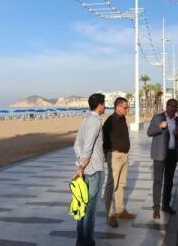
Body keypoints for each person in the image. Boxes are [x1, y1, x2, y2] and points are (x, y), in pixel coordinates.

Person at [73, 93, 106, 246]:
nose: (105, 107)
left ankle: (80, 240)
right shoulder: (95, 121)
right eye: (104, 104)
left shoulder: (85, 119)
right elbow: (87, 147)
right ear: (99, 105)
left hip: (86, 168)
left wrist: (81, 163)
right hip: (94, 169)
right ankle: (87, 241)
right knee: (90, 209)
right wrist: (82, 166)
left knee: (81, 206)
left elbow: (76, 145)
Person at [147, 99, 178, 219]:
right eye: (171, 106)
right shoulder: (158, 117)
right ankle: (156, 208)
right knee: (158, 181)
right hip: (159, 154)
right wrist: (159, 127)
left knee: (169, 181)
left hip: (172, 154)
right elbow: (149, 132)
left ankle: (166, 205)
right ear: (166, 107)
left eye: (175, 106)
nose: (173, 108)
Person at [103, 97, 136, 227]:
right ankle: (110, 214)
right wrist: (107, 155)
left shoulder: (123, 119)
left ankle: (121, 211)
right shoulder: (110, 121)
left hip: (124, 156)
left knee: (121, 185)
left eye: (128, 107)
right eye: (125, 107)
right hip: (114, 156)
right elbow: (103, 140)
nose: (127, 109)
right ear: (117, 107)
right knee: (111, 186)